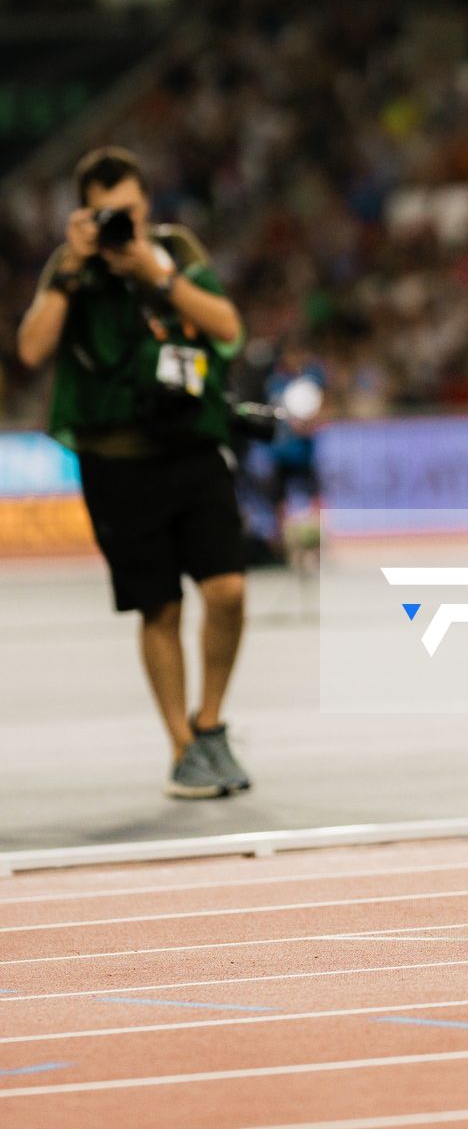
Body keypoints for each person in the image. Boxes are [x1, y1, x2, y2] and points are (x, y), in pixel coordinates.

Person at [16, 146, 251, 800]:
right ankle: (183, 748)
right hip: (116, 463)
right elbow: (32, 349)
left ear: (146, 203)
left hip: (192, 449)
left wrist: (157, 274)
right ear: (82, 213)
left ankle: (210, 724)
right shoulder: (71, 270)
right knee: (160, 608)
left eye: (128, 210)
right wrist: (70, 267)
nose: (119, 223)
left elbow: (229, 331)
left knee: (228, 590)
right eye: (104, 213)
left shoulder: (176, 253)